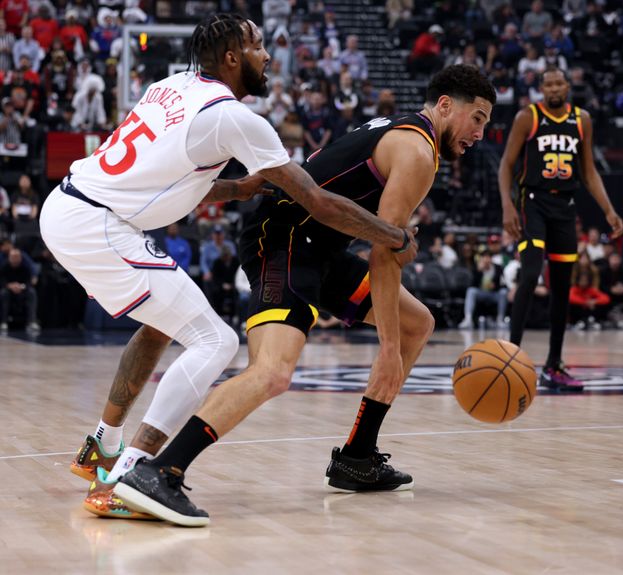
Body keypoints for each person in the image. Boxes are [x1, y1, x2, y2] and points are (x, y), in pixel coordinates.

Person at [40, 14, 415, 521]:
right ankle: (135, 473)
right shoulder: (235, 118)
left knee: (161, 325)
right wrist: (393, 235)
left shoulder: (170, 87)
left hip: (70, 206)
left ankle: (103, 447)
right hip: (99, 224)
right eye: (259, 46)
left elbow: (160, 177)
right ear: (234, 57)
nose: (268, 55)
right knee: (216, 341)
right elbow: (316, 201)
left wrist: (235, 189)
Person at [109, 64, 495, 526]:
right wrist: (388, 350)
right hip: (285, 240)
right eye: (478, 118)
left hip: (320, 248)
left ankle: (357, 457)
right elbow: (386, 251)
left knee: (418, 323)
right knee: (273, 372)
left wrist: (397, 338)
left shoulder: (397, 129)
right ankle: (158, 472)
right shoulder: (417, 150)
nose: (480, 132)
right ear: (447, 106)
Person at [498, 66, 623, 392]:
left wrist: (609, 210)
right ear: (541, 88)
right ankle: (511, 354)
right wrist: (508, 205)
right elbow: (506, 165)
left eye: (559, 83)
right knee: (529, 274)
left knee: (563, 286)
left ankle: (554, 365)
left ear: (567, 85)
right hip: (533, 202)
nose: (554, 88)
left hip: (565, 207)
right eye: (548, 84)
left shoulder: (582, 120)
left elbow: (589, 171)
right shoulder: (529, 116)